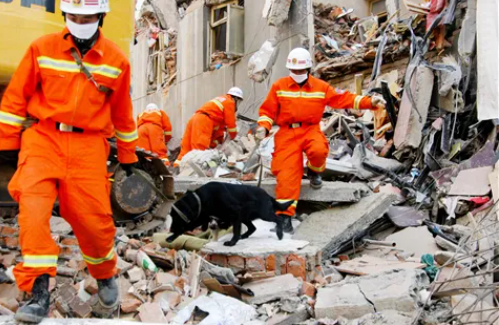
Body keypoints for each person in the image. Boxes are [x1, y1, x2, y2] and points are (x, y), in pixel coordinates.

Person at [0, 1, 138, 322]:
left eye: (87, 17)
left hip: (89, 146)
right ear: (64, 15)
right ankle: (37, 292)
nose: (80, 22)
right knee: (33, 214)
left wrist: (129, 157)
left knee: (94, 221)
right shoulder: (42, 48)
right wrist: (7, 142)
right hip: (43, 138)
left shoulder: (116, 60)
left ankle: (105, 275)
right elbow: (15, 97)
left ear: (101, 16)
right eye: (74, 17)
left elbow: (122, 112)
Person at [255, 48, 386, 233]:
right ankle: (284, 219)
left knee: (319, 151)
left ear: (308, 68)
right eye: (294, 71)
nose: (298, 74)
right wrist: (263, 127)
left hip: (310, 129)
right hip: (287, 134)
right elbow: (267, 111)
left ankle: (314, 173)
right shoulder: (280, 86)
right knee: (286, 176)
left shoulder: (320, 87)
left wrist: (369, 102)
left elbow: (342, 98)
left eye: (301, 71)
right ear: (289, 69)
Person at [173, 87, 243, 167]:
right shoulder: (229, 102)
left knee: (186, 149)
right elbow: (231, 124)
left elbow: (219, 130)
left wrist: (216, 144)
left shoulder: (220, 101)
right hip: (204, 121)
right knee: (200, 150)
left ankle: (177, 169)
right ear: (236, 99)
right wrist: (233, 136)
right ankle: (196, 174)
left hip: (194, 118)